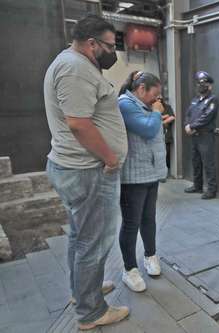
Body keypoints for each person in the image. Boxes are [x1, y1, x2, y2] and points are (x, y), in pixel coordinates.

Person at [43, 15, 129, 330]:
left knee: (82, 237)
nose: (112, 52)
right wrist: (109, 158)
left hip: (80, 168)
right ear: (92, 43)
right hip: (88, 170)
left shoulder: (75, 64)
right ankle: (91, 311)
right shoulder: (75, 68)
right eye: (109, 45)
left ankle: (82, 291)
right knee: (94, 241)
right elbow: (78, 123)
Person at [117, 71, 167, 292]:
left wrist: (154, 113)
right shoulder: (125, 104)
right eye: (153, 95)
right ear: (141, 89)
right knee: (131, 223)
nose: (156, 100)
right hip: (133, 177)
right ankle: (130, 269)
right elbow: (147, 130)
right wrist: (157, 114)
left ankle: (150, 255)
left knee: (149, 218)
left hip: (151, 173)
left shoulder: (143, 104)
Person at [184, 71, 219, 199]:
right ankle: (197, 185)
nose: (201, 86)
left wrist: (192, 126)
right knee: (196, 161)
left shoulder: (212, 100)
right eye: (199, 83)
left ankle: (211, 190)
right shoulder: (195, 100)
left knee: (208, 163)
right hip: (194, 136)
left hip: (205, 136)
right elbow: (188, 114)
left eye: (204, 83)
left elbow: (207, 117)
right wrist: (187, 125)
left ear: (210, 86)